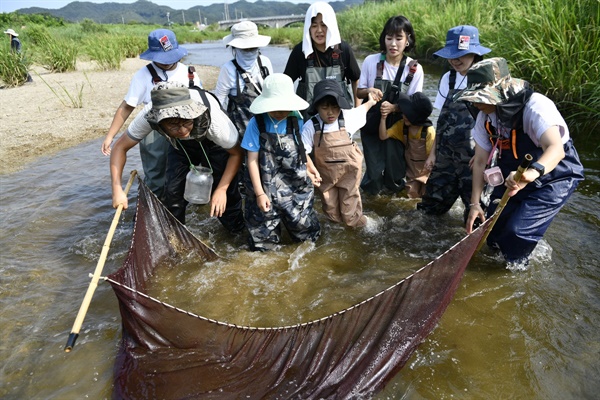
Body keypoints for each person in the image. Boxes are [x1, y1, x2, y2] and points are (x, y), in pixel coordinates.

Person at [457, 57, 584, 264]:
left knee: (517, 234)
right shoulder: (485, 116)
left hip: (555, 174)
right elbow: (480, 161)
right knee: (493, 231)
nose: (475, 103)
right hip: (513, 172)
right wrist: (474, 203)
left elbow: (556, 149)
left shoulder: (535, 108)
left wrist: (530, 174)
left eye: (480, 97)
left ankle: (514, 270)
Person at [110, 82, 245, 234]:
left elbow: (237, 153)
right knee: (173, 193)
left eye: (186, 122)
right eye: (173, 125)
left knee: (226, 198)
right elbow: (119, 148)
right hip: (180, 146)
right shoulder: (149, 116)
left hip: (214, 144)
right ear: (159, 123)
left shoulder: (216, 123)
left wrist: (221, 189)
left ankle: (236, 234)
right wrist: (117, 189)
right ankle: (176, 237)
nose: (182, 130)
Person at [102, 29, 201, 200]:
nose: (167, 63)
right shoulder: (143, 76)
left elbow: (201, 102)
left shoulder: (188, 72)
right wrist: (110, 136)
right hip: (153, 129)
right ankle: (154, 205)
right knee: (155, 175)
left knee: (187, 171)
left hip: (184, 127)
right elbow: (127, 107)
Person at [417, 25, 491, 221]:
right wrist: (432, 154)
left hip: (475, 159)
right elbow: (441, 120)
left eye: (461, 55)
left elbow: (496, 123)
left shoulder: (485, 79)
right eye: (451, 55)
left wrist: (487, 155)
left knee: (476, 214)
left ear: (475, 52)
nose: (455, 60)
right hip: (445, 157)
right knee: (428, 211)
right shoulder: (448, 78)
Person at [242, 73, 321, 251]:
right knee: (263, 239)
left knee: (306, 235)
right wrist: (259, 193)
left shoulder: (296, 119)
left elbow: (300, 149)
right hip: (264, 184)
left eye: (284, 107)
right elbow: (252, 160)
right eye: (275, 107)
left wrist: (310, 168)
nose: (280, 112)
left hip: (294, 183)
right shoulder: (256, 123)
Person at [357, 15, 424, 195]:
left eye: (398, 38)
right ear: (383, 39)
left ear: (408, 40)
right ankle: (371, 203)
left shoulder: (414, 69)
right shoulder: (371, 61)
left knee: (395, 173)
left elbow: (416, 104)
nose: (393, 44)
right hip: (372, 123)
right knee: (374, 172)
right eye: (389, 38)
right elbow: (359, 92)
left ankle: (393, 205)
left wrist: (395, 108)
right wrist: (369, 90)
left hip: (398, 127)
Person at [302, 79, 377, 228]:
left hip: (349, 173)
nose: (330, 112)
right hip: (325, 176)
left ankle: (364, 224)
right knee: (332, 214)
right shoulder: (311, 126)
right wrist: (311, 170)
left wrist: (371, 100)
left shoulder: (348, 117)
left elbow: (364, 109)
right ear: (317, 107)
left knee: (350, 214)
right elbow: (302, 151)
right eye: (324, 108)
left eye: (335, 107)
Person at [283, 1, 361, 119]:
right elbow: (286, 83)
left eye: (324, 25)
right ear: (308, 28)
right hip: (309, 122)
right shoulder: (300, 51)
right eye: (314, 25)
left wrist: (356, 111)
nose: (319, 30)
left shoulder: (342, 49)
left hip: (340, 120)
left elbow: (356, 79)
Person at [214, 20, 272, 138]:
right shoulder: (228, 69)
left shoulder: (264, 62)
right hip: (241, 129)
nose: (250, 52)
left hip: (268, 123)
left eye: (253, 48)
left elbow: (273, 91)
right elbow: (218, 103)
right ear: (234, 47)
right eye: (245, 49)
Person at [379, 92, 436, 198]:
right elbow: (383, 136)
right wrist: (383, 118)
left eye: (407, 113)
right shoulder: (402, 126)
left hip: (426, 173)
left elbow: (432, 158)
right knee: (411, 195)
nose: (403, 115)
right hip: (411, 173)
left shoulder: (428, 131)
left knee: (425, 196)